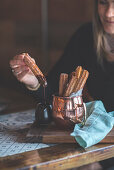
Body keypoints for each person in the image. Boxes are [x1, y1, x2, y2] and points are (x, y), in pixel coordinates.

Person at [9, 0, 114, 169]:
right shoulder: (85, 36)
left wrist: (99, 162)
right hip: (84, 141)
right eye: (103, 2)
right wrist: (34, 81)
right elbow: (55, 95)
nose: (109, 13)